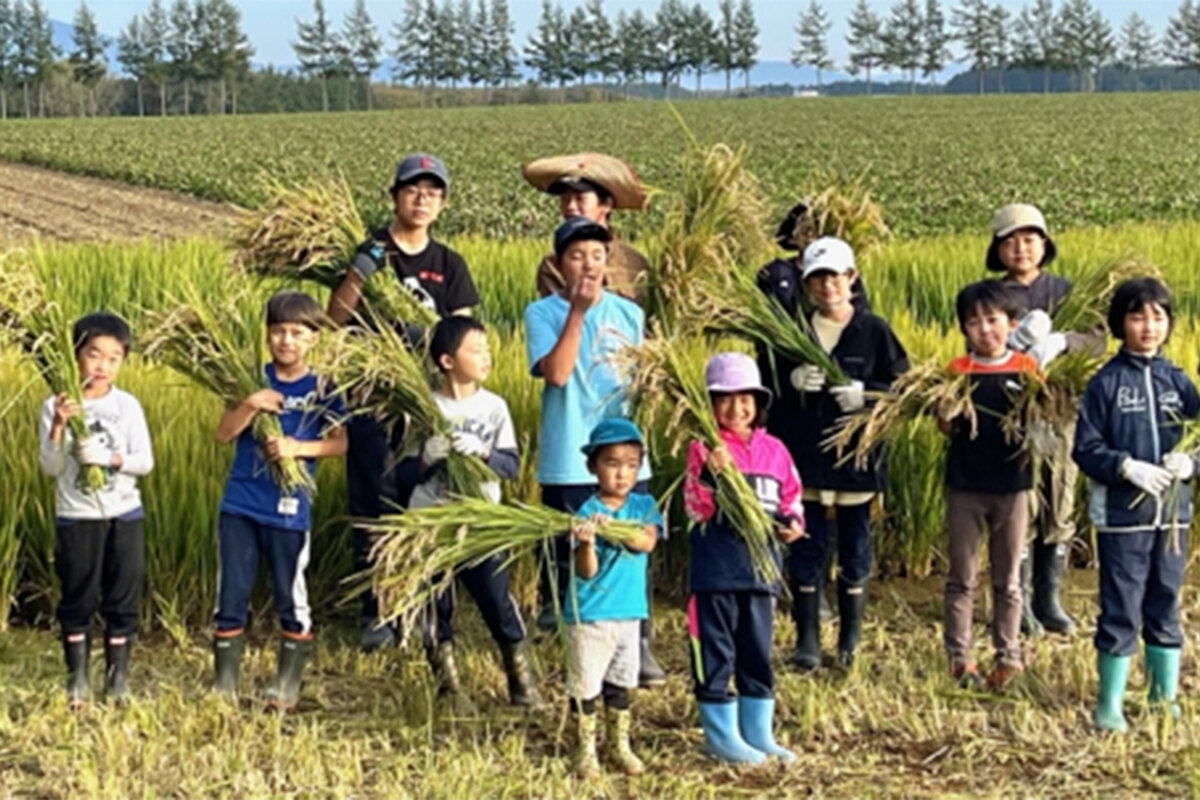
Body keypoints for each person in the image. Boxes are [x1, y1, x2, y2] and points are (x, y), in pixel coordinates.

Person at [323, 153, 480, 652]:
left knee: (428, 497)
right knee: (374, 501)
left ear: (443, 202)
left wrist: (436, 344)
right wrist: (358, 274)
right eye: (413, 189)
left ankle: (426, 604)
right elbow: (333, 321)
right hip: (373, 399)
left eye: (432, 192)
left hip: (428, 399)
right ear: (394, 195)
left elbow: (465, 335)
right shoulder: (368, 248)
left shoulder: (449, 264)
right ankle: (378, 610)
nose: (422, 198)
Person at [524, 215, 665, 686]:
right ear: (559, 263)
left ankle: (636, 647)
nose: (589, 264)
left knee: (630, 552)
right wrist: (578, 313)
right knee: (576, 560)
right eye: (577, 256)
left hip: (624, 456)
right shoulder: (541, 313)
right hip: (569, 458)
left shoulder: (630, 315)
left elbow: (641, 381)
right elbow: (558, 375)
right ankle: (580, 652)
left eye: (598, 255)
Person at [1072, 277, 1199, 733]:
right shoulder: (1104, 384)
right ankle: (1109, 705)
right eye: (1137, 315)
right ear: (1120, 322)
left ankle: (1162, 697)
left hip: (1172, 516)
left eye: (1158, 316)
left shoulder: (1179, 382)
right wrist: (1126, 466)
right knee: (1121, 604)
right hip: (1121, 516)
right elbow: (1084, 448)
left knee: (1166, 602)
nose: (1148, 326)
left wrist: (1192, 462)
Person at [212, 291, 347, 710]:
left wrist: (296, 449)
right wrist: (252, 404)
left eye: (297, 333)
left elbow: (340, 444)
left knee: (291, 593)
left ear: (313, 339)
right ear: (267, 336)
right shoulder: (248, 377)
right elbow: (224, 433)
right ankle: (225, 683)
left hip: (290, 507)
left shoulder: (324, 386)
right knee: (231, 590)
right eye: (277, 332)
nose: (286, 340)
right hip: (240, 502)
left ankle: (285, 685)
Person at [778, 237, 908, 671]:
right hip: (807, 462)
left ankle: (849, 640)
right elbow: (764, 397)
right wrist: (790, 381)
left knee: (855, 550)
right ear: (806, 283)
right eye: (817, 278)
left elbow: (906, 391)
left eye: (835, 276)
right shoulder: (791, 332)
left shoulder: (875, 332)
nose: (827, 285)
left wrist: (868, 395)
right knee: (807, 550)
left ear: (852, 278)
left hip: (856, 464)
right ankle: (807, 640)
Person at [404, 316, 541, 712]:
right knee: (434, 603)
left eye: (487, 349)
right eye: (476, 349)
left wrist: (483, 454)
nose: (487, 356)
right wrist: (428, 459)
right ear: (447, 360)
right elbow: (401, 473)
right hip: (432, 522)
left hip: (480, 522)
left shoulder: (494, 407)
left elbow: (511, 466)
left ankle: (522, 682)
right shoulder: (423, 406)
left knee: (497, 600)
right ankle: (449, 688)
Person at [986, 203, 1102, 637]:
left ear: (1045, 245)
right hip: (1013, 415)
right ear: (997, 249)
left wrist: (1063, 342)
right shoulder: (990, 296)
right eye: (1011, 240)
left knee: (1060, 498)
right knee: (1022, 506)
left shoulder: (1069, 290)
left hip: (1061, 411)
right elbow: (977, 338)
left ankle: (1048, 598)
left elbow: (1096, 342)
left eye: (1031, 239)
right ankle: (1018, 600)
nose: (1022, 248)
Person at [684, 352, 805, 765]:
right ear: (710, 405)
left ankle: (757, 732)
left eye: (745, 398)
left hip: (761, 571)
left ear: (758, 401)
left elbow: (791, 497)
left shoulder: (775, 450)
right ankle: (720, 735)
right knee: (716, 650)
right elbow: (695, 507)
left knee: (757, 649)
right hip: (716, 571)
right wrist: (713, 474)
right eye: (724, 399)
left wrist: (792, 523)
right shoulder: (704, 448)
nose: (736, 408)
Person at [38, 312, 154, 709]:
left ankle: (117, 679)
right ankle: (77, 681)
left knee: (122, 597)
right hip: (77, 516)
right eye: (93, 355)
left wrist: (110, 457)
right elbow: (51, 468)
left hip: (124, 513)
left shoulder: (127, 406)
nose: (102, 366)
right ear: (75, 356)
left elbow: (145, 462)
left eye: (113, 357)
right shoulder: (57, 404)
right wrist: (58, 426)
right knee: (77, 597)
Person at [938, 281, 1042, 690]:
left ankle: (1008, 657)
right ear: (964, 329)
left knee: (1009, 579)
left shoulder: (1027, 370)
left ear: (1011, 322)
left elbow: (1045, 419)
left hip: (1014, 485)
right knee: (962, 576)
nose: (984, 329)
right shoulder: (956, 372)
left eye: (993, 320)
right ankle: (959, 658)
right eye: (974, 322)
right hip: (965, 485)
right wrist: (944, 410)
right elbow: (945, 427)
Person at [565, 418, 662, 778]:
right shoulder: (587, 513)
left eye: (631, 465)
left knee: (621, 682)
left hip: (630, 612)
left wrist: (617, 530)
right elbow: (585, 571)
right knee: (586, 685)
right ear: (592, 467)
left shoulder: (644, 506)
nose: (622, 474)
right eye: (612, 463)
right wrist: (588, 542)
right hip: (591, 613)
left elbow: (647, 542)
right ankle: (585, 750)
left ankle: (619, 745)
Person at [523, 152, 650, 303]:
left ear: (606, 204)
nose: (570, 207)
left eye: (580, 199)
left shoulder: (635, 262)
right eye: (565, 199)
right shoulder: (554, 266)